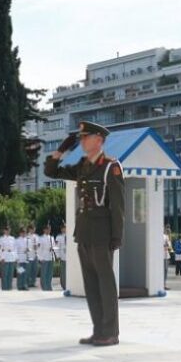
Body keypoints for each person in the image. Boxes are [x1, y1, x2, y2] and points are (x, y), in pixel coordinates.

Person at [43, 120, 125, 347]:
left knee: (106, 285)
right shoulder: (82, 166)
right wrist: (61, 149)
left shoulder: (111, 166)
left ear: (99, 140)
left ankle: (111, 332)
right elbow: (51, 172)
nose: (81, 141)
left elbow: (118, 206)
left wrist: (117, 237)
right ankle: (98, 330)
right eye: (80, 138)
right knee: (91, 284)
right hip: (84, 232)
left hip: (103, 234)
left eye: (85, 137)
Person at [0, 225, 17, 291]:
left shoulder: (13, 238)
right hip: (5, 257)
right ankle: (4, 288)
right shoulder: (1, 239)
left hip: (11, 257)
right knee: (4, 274)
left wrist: (15, 258)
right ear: (4, 231)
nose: (7, 231)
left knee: (10, 274)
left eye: (8, 230)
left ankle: (9, 288)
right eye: (6, 230)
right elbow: (0, 249)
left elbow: (15, 249)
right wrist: (1, 258)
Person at [37, 224, 55, 291]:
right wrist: (40, 258)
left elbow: (54, 247)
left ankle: (49, 286)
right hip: (44, 257)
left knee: (50, 274)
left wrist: (54, 256)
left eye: (49, 229)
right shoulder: (41, 238)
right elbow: (39, 249)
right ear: (44, 230)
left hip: (50, 257)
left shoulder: (52, 238)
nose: (48, 230)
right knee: (44, 274)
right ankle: (44, 287)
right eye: (47, 229)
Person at [55, 223, 68, 290]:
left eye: (65, 228)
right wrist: (57, 256)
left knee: (68, 272)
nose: (64, 229)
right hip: (62, 256)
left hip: (69, 257)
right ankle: (63, 285)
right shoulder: (58, 237)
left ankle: (68, 285)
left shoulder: (69, 236)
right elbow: (56, 247)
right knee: (63, 272)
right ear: (61, 229)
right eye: (63, 228)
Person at [163, 225, 174, 289]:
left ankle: (164, 284)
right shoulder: (159, 236)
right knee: (162, 270)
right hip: (160, 256)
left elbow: (169, 246)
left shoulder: (166, 237)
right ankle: (161, 284)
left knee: (166, 270)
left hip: (166, 255)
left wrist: (170, 235)